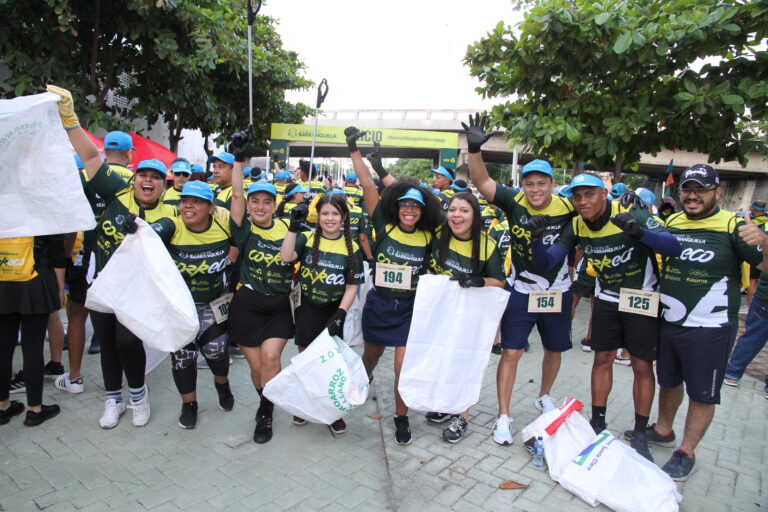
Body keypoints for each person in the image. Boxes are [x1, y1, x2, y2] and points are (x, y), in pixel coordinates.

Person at [49, 85, 178, 428]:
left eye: (156, 178)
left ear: (163, 186)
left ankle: (138, 395)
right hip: (103, 283)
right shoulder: (116, 190)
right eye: (143, 176)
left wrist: (136, 224)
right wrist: (70, 119)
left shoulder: (172, 209)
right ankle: (113, 400)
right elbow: (92, 158)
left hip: (137, 290)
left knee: (127, 341)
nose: (148, 182)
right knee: (106, 341)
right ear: (134, 179)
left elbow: (160, 230)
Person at [531, 171, 682, 461]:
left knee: (641, 365)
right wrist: (536, 239)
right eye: (577, 196)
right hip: (608, 298)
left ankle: (639, 432)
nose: (582, 201)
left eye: (589, 194)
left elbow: (673, 247)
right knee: (602, 359)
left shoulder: (630, 211)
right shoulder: (576, 224)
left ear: (604, 194)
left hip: (642, 296)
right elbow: (547, 262)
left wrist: (640, 233)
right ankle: (597, 423)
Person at [634, 164, 768, 481]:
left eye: (701, 190)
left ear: (716, 193)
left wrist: (764, 239)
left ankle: (687, 451)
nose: (693, 196)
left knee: (702, 393)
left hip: (710, 328)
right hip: (670, 321)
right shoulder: (675, 220)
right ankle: (664, 430)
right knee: (668, 380)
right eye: (688, 189)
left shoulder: (734, 225)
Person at [464, 116, 578, 445]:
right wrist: (474, 149)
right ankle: (503, 416)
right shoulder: (513, 200)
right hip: (521, 290)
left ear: (552, 185)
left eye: (542, 183)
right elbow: (482, 181)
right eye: (530, 184)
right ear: (523, 185)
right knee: (511, 353)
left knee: (554, 350)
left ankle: (544, 395)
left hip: (557, 291)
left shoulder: (569, 208)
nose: (535, 189)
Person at [345, 126, 443, 445]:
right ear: (397, 206)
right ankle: (360, 382)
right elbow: (367, 184)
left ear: (423, 210)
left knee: (403, 368)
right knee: (371, 356)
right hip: (380, 306)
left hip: (409, 312)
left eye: (416, 206)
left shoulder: (430, 236)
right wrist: (354, 150)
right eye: (405, 205)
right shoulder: (383, 227)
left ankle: (401, 417)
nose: (410, 210)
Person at [219, 127, 297, 444]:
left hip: (278, 306)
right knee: (255, 369)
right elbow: (235, 194)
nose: (260, 206)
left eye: (267, 201)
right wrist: (239, 158)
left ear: (275, 204)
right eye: (256, 201)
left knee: (271, 361)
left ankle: (264, 413)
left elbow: (292, 256)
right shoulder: (243, 229)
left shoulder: (287, 228)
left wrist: (297, 224)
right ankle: (265, 399)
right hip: (246, 306)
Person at [136, 181, 235, 429]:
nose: (188, 205)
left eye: (197, 201)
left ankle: (222, 384)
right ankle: (189, 405)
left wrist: (232, 256)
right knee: (183, 358)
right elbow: (146, 234)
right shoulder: (172, 225)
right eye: (184, 200)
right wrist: (135, 228)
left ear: (211, 207)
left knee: (216, 351)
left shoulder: (223, 225)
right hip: (180, 308)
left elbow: (241, 237)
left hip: (213, 304)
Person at [280, 193, 364, 435]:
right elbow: (286, 257)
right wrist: (293, 227)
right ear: (318, 216)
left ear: (344, 217)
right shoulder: (307, 238)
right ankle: (305, 407)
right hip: (307, 307)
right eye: (325, 213)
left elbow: (352, 286)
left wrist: (340, 314)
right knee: (307, 362)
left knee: (331, 366)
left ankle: (332, 413)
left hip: (334, 311)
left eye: (335, 214)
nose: (329, 218)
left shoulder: (352, 247)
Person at [428, 191, 507, 443]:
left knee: (463, 363)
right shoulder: (438, 236)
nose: (457, 215)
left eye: (464, 210)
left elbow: (500, 282)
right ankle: (445, 404)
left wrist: (479, 280)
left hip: (471, 316)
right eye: (452, 210)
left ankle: (461, 416)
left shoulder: (487, 244)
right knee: (441, 358)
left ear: (474, 214)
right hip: (441, 311)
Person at [0, 234, 66, 427]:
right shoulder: (41, 209)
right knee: (33, 348)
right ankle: (35, 409)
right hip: (37, 281)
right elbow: (57, 253)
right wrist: (60, 289)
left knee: (2, 348)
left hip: (3, 278)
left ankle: (3, 405)